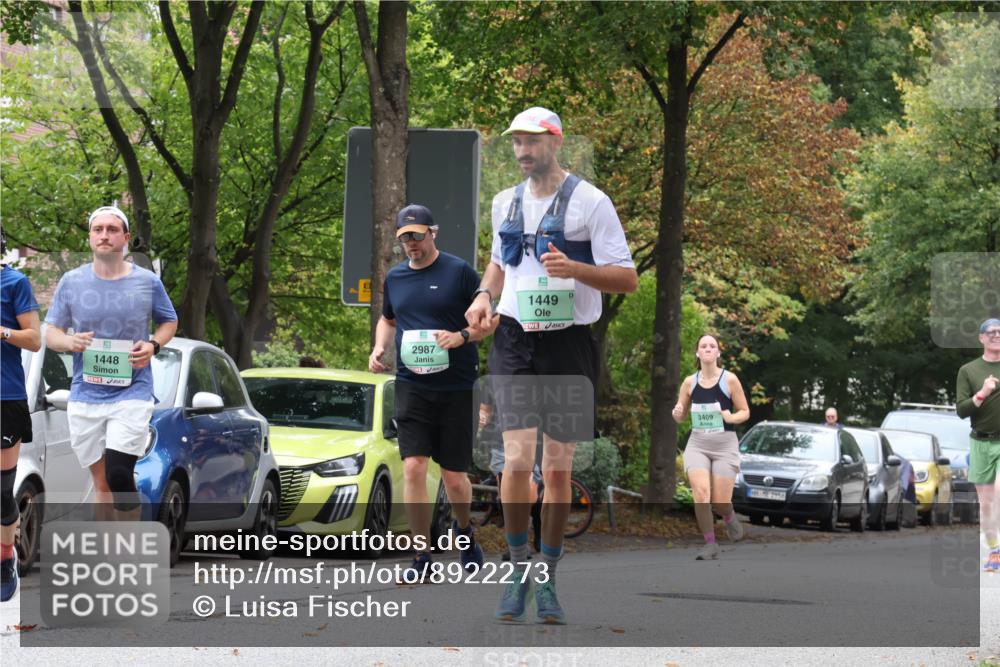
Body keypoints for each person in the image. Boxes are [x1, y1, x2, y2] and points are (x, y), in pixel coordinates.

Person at [465, 106, 637, 624]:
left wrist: (575, 269)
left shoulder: (591, 202)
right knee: (517, 463)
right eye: (517, 142)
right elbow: (498, 263)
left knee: (559, 468)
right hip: (514, 341)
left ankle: (548, 576)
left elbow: (626, 278)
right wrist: (483, 295)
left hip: (568, 344)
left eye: (532, 142)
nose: (522, 151)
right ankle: (518, 567)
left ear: (556, 142)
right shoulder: (504, 202)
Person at [369, 204, 494, 581]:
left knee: (454, 477)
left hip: (456, 387)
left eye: (417, 236)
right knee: (413, 467)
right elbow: (388, 319)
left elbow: (490, 322)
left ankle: (464, 530)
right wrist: (379, 347)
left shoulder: (459, 272)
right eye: (404, 238)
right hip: (413, 385)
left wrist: (462, 336)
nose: (411, 243)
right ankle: (421, 556)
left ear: (433, 233)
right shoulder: (395, 278)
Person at [45, 205, 177, 522]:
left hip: (133, 391)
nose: (104, 235)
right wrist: (69, 342)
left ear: (126, 238)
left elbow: (169, 321)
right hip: (85, 394)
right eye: (98, 229)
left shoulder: (147, 281)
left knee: (119, 474)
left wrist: (153, 345)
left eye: (112, 229)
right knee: (102, 482)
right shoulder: (71, 281)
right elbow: (50, 332)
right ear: (90, 236)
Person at [672, 333, 750, 560]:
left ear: (718, 352)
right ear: (697, 353)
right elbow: (680, 415)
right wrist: (677, 412)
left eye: (712, 346)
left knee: (720, 501)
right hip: (698, 443)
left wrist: (730, 417)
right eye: (703, 346)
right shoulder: (689, 382)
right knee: (701, 494)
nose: (707, 348)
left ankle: (729, 516)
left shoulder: (730, 380)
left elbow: (745, 411)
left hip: (725, 445)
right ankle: (710, 544)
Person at [0, 227, 41, 602]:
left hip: (5, 397)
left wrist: (3, 332)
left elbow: (34, 339)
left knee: (1, 491)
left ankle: (4, 558)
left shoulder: (15, 283)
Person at [956, 317, 1000, 572]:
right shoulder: (968, 371)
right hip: (981, 442)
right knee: (986, 505)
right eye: (991, 332)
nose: (996, 335)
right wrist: (983, 393)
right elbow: (961, 410)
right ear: (981, 338)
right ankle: (995, 551)